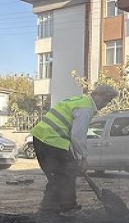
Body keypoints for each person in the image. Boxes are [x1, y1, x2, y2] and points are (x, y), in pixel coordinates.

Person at [30, 85, 119, 215]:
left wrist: (74, 156)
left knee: (56, 175)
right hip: (51, 139)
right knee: (68, 172)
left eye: (109, 101)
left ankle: (48, 209)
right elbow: (77, 136)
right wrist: (82, 159)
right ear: (99, 95)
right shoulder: (86, 108)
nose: (106, 104)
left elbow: (72, 133)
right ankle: (69, 208)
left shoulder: (80, 101)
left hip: (41, 137)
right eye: (107, 100)